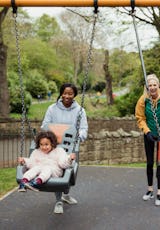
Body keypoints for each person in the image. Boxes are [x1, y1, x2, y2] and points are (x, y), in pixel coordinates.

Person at [41, 82, 88, 214]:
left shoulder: (80, 111)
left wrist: (78, 135)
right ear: (61, 93)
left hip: (71, 146)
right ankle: (58, 201)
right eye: (65, 93)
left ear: (74, 95)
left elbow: (84, 129)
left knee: (70, 172)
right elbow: (44, 125)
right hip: (55, 146)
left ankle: (65, 194)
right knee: (58, 171)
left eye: (70, 93)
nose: (67, 96)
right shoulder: (52, 109)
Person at [135, 74, 160, 206]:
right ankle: (150, 189)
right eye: (149, 85)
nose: (152, 87)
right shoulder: (143, 99)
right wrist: (147, 132)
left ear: (158, 85)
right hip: (149, 134)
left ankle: (159, 192)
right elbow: (140, 118)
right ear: (147, 87)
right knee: (149, 163)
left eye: (154, 85)